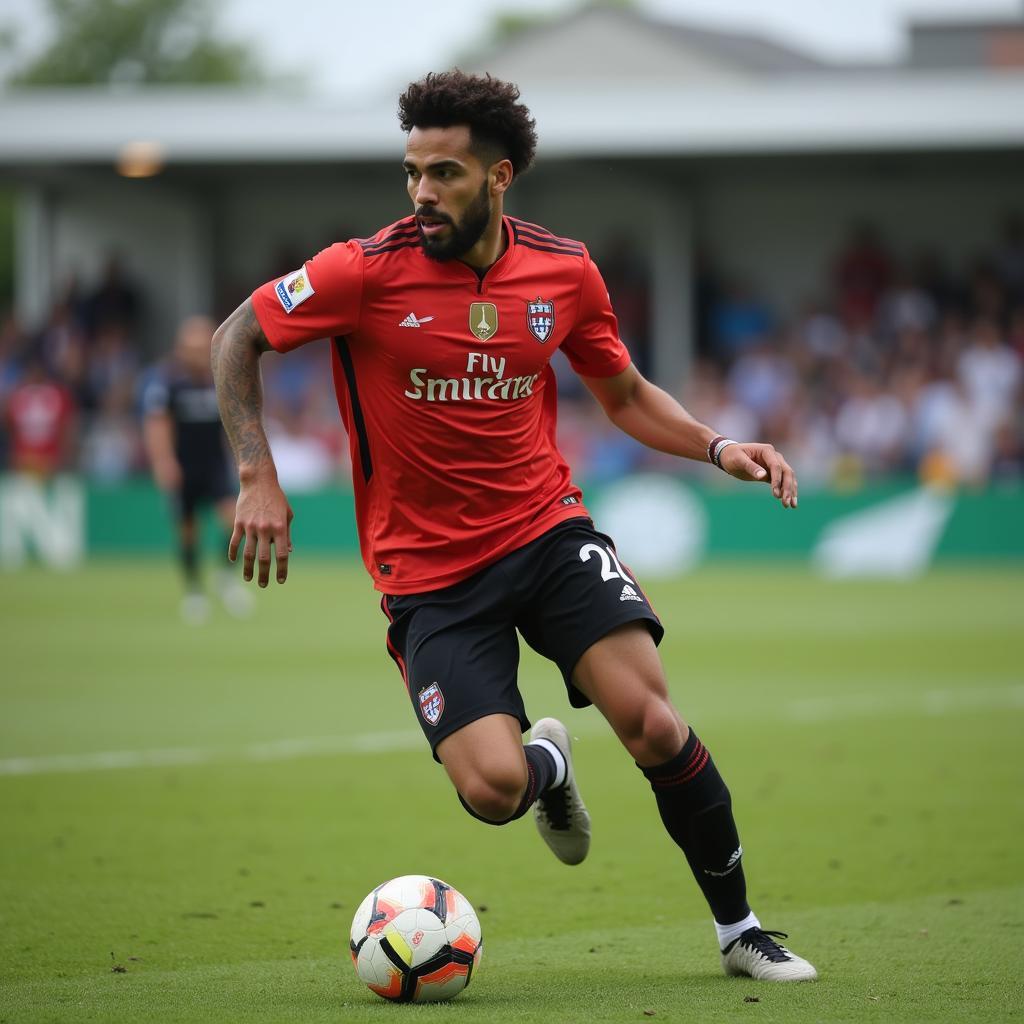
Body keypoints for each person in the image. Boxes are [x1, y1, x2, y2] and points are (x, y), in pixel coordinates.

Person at [212, 71, 815, 982]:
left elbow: (622, 393)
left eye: (445, 173)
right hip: (428, 574)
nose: (421, 192)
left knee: (652, 724)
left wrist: (717, 444)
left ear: (498, 178)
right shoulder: (361, 271)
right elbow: (236, 338)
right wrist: (258, 473)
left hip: (546, 532)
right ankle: (548, 768)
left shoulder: (564, 270)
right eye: (412, 170)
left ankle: (741, 931)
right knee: (494, 792)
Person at [143, 315, 252, 623]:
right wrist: (164, 461)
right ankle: (193, 592)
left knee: (233, 521)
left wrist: (241, 459)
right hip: (184, 467)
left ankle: (225, 577)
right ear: (181, 350)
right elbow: (157, 425)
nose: (198, 353)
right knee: (188, 531)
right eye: (192, 347)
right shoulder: (168, 385)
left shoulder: (222, 381)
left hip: (215, 466)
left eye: (203, 346)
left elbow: (234, 423)